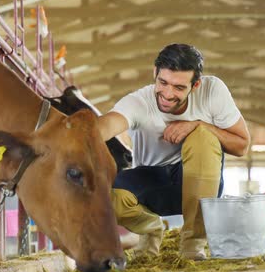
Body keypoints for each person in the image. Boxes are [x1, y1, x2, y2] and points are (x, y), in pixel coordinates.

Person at [98, 43, 250, 260]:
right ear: (155, 73)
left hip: (198, 183)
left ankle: (192, 246)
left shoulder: (212, 91)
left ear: (195, 85)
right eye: (163, 82)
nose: (168, 94)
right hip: (150, 186)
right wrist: (79, 135)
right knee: (107, 194)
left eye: (179, 87)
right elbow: (105, 127)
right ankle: (151, 228)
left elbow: (242, 145)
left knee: (202, 136)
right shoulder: (139, 102)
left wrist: (199, 124)